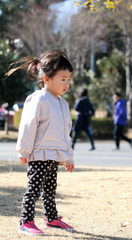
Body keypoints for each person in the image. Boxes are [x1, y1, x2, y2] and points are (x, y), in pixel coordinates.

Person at [6, 50, 74, 236]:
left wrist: (68, 157)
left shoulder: (63, 104)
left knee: (51, 189)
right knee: (34, 188)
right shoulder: (38, 99)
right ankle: (25, 221)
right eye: (62, 79)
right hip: (39, 153)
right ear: (46, 79)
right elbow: (28, 127)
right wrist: (23, 151)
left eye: (68, 79)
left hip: (55, 154)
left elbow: (66, 132)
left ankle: (51, 218)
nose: (66, 83)